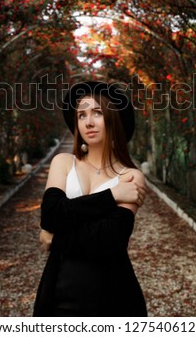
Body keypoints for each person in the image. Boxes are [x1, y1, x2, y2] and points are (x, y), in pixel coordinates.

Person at [33, 81, 148, 317]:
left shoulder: (131, 176)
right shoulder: (63, 162)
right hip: (57, 293)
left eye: (97, 113)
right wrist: (112, 196)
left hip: (114, 297)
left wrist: (55, 240)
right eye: (81, 115)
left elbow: (110, 240)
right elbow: (51, 215)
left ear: (113, 119)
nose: (89, 122)